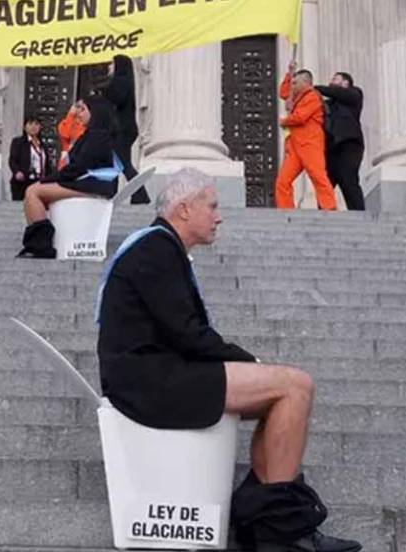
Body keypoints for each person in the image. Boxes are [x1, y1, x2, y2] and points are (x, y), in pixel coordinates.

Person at [97, 168, 362, 552]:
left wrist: (249, 365)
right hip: (148, 381)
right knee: (294, 386)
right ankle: (280, 531)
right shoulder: (155, 250)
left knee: (284, 392)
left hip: (157, 372)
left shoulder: (161, 248)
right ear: (184, 210)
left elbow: (184, 334)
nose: (219, 216)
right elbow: (188, 335)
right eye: (213, 206)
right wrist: (250, 361)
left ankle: (259, 517)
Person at [17, 95, 120, 259]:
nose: (78, 113)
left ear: (95, 112)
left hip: (92, 186)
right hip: (85, 183)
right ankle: (37, 243)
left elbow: (77, 168)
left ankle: (41, 245)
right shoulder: (92, 135)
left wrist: (48, 180)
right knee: (33, 191)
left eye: (82, 109)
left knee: (34, 192)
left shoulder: (97, 136)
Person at [275, 62, 337, 211]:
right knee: (283, 181)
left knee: (318, 176)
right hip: (295, 146)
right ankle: (285, 209)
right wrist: (289, 74)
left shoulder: (312, 97)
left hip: (310, 144)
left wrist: (284, 121)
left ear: (306, 83)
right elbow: (283, 92)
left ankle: (329, 207)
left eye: (296, 83)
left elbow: (300, 117)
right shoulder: (297, 97)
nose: (293, 86)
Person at [99, 54, 149, 205]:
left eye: (112, 64)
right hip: (123, 129)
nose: (109, 67)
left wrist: (102, 90)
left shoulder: (121, 82)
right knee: (114, 164)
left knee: (123, 163)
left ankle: (140, 195)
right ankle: (112, 195)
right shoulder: (124, 81)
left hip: (121, 130)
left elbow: (115, 97)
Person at [315, 72, 365, 211]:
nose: (331, 81)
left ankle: (358, 214)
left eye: (335, 79)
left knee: (349, 181)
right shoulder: (328, 104)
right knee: (325, 184)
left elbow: (336, 92)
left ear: (345, 83)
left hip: (348, 145)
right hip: (330, 147)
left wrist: (313, 88)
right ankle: (324, 214)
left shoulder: (354, 94)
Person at [9, 116, 49, 202]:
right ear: (24, 127)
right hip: (23, 182)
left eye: (36, 124)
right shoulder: (18, 142)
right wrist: (17, 172)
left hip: (40, 182)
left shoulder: (43, 146)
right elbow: (12, 160)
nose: (33, 127)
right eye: (30, 124)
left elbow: (48, 165)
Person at [57, 100, 86, 170]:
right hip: (67, 156)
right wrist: (70, 115)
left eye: (83, 108)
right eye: (78, 107)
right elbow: (66, 134)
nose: (79, 110)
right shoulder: (64, 123)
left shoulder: (87, 125)